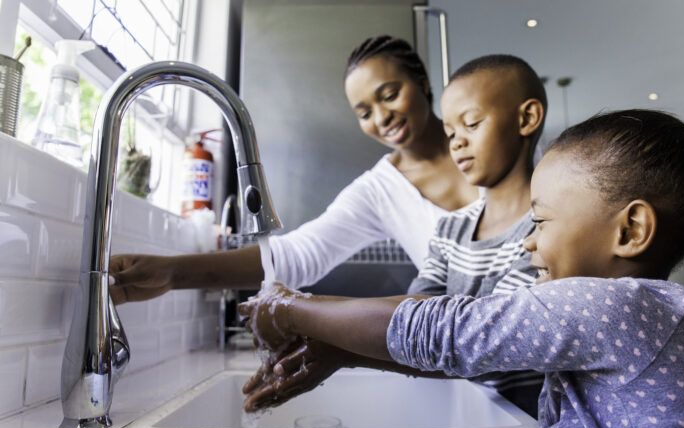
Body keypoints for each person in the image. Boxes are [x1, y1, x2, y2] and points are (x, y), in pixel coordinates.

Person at [241, 94, 684, 428]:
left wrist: (290, 307)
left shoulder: (618, 306)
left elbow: (450, 331)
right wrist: (343, 353)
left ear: (629, 231)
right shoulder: (635, 314)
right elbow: (484, 351)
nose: (528, 243)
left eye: (541, 222)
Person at [241, 54, 548, 417]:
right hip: (478, 415)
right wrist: (340, 351)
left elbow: (475, 339)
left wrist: (294, 310)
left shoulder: (547, 231)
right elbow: (419, 321)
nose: (457, 143)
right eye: (450, 132)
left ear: (526, 118)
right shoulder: (451, 231)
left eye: (472, 124)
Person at [108, 35, 477, 304]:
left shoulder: (484, 137)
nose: (382, 117)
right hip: (485, 373)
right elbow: (299, 255)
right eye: (364, 113)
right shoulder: (379, 191)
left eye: (390, 94)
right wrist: (173, 272)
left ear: (423, 84)